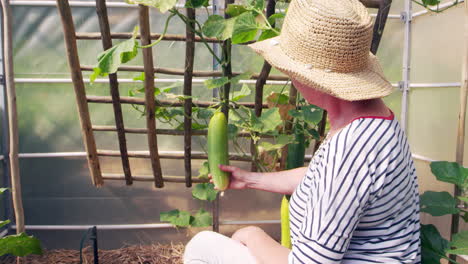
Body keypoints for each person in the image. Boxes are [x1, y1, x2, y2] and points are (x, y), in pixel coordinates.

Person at [183, 0, 421, 263]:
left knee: (201, 247)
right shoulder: (373, 122)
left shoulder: (352, 148)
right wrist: (250, 179)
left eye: (290, 70)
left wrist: (253, 234)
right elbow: (325, 178)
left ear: (314, 79)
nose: (290, 77)